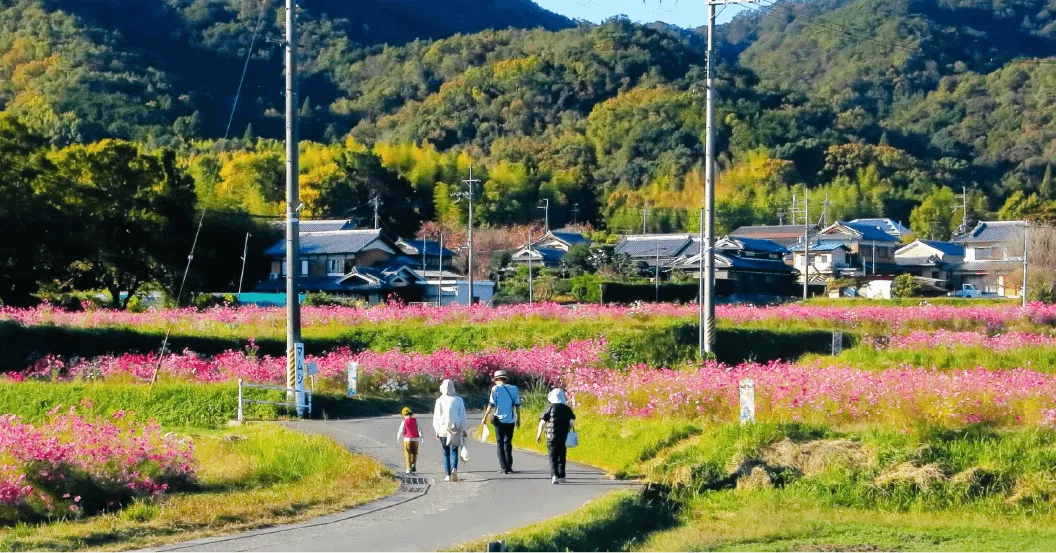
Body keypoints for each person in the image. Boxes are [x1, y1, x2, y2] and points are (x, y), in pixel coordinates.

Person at [481, 370, 521, 474]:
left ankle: (503, 467)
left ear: (497, 379)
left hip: (499, 420)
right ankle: (509, 466)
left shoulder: (495, 389)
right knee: (508, 443)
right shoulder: (514, 389)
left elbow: (491, 404)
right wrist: (519, 418)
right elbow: (517, 405)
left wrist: (485, 417)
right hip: (511, 420)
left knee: (500, 443)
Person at [536, 388, 576, 484]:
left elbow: (542, 422)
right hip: (563, 436)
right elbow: (572, 423)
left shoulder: (550, 408)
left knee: (552, 456)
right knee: (562, 456)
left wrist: (539, 434)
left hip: (551, 437)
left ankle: (554, 476)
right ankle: (562, 476)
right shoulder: (567, 409)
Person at [432, 379, 467, 482]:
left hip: (443, 429)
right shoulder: (459, 400)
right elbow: (462, 415)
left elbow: (437, 416)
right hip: (455, 429)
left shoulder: (439, 400)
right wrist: (462, 428)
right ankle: (454, 469)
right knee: (454, 450)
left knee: (445, 452)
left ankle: (448, 474)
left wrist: (437, 430)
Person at [395, 407, 422, 474]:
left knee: (407, 454)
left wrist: (398, 437)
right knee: (415, 453)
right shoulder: (415, 420)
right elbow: (419, 429)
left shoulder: (404, 421)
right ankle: (414, 465)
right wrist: (422, 437)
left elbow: (401, 430)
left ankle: (408, 468)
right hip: (415, 439)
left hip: (407, 439)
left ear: (404, 415)